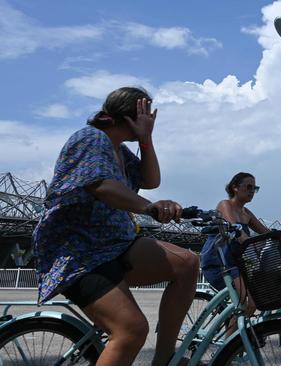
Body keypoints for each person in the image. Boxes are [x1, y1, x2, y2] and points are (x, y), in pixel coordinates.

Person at [32, 87, 199, 366]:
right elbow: (101, 185)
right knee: (131, 330)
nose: (151, 120)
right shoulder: (91, 138)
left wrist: (146, 140)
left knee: (187, 263)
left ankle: (165, 359)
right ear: (132, 116)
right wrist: (148, 207)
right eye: (145, 115)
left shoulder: (119, 149)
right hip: (80, 253)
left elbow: (150, 180)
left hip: (116, 245)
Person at [200, 172, 269, 319]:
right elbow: (235, 229)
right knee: (243, 304)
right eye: (249, 187)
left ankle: (236, 338)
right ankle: (230, 340)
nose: (252, 191)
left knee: (252, 302)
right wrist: (249, 242)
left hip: (236, 264)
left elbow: (265, 232)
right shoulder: (225, 205)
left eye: (255, 188)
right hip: (220, 263)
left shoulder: (246, 213)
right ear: (235, 188)